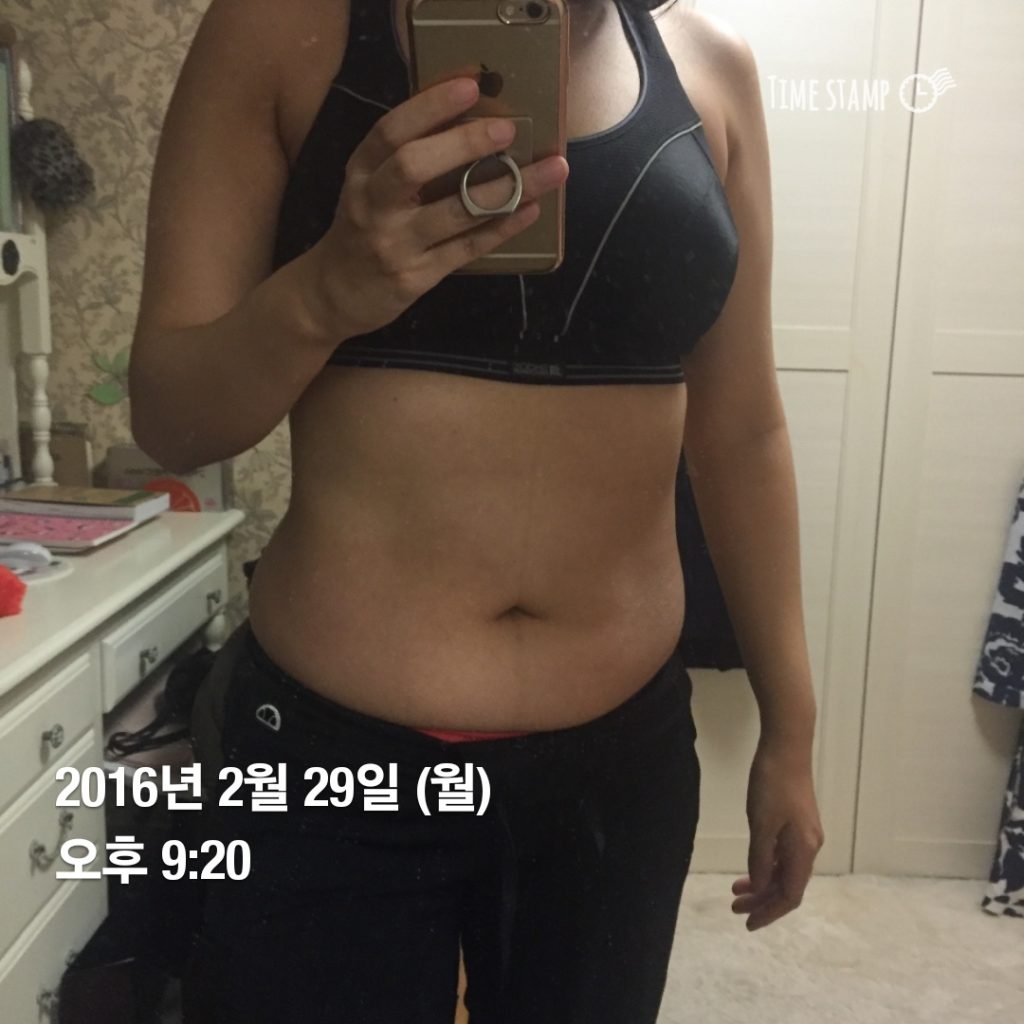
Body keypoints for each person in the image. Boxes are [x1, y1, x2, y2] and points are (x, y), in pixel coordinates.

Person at [129, 1, 825, 1021]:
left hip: (615, 771)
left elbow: (743, 434)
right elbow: (171, 420)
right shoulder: (281, 28)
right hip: (335, 764)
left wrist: (791, 732)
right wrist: (324, 292)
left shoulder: (711, 66)